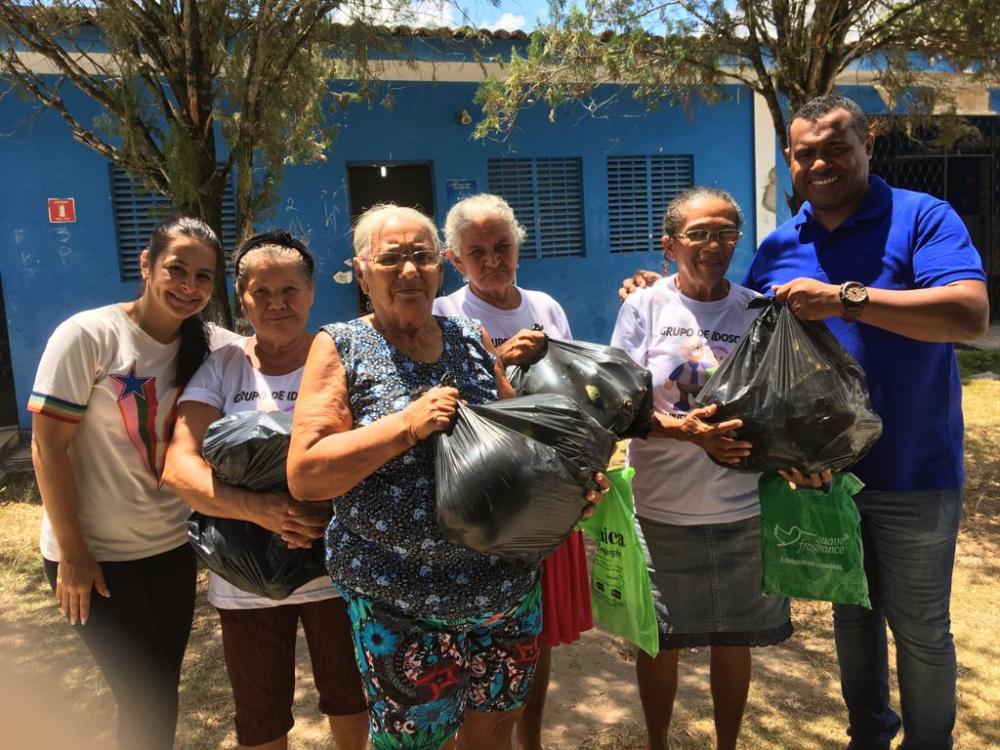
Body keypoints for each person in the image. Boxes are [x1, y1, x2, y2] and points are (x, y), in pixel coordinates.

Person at [285, 204, 606, 750]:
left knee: (495, 726)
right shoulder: (342, 345)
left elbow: (524, 446)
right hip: (399, 599)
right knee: (417, 741)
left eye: (421, 257)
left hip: (504, 590)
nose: (409, 272)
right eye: (391, 260)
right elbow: (307, 473)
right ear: (362, 272)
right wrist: (405, 426)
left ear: (440, 267)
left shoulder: (468, 335)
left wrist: (571, 486)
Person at [745, 95, 989, 750]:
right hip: (827, 482)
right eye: (805, 153)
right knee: (852, 622)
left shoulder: (921, 218)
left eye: (835, 147)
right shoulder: (776, 249)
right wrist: (661, 287)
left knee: (920, 630)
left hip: (915, 474)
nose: (820, 163)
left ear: (868, 143)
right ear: (790, 159)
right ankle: (868, 738)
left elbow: (968, 315)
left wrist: (847, 299)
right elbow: (750, 356)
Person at [162, 230, 368, 750]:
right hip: (245, 583)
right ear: (242, 296)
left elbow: (372, 454)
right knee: (259, 714)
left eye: (290, 290)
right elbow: (179, 468)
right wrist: (262, 510)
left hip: (337, 575)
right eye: (262, 293)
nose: (277, 304)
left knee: (351, 697)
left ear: (312, 291)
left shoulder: (343, 358)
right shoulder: (224, 367)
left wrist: (322, 506)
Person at [28, 217, 228, 749]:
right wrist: (72, 551)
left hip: (169, 549)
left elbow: (277, 344)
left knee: (160, 690)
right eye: (176, 270)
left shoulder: (212, 344)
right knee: (146, 694)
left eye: (203, 278)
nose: (189, 287)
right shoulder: (88, 335)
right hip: (94, 557)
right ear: (146, 265)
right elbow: (47, 446)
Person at [610, 187, 792, 750]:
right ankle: (658, 743)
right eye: (698, 234)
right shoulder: (643, 307)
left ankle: (728, 745)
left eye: (725, 233)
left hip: (741, 508)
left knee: (731, 639)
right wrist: (685, 432)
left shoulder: (755, 308)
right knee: (658, 639)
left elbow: (776, 403)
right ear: (669, 245)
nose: (713, 245)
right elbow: (618, 406)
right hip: (661, 508)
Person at [433, 193, 587, 750]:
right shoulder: (445, 314)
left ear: (519, 244)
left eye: (503, 246)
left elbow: (569, 394)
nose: (493, 260)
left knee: (533, 632)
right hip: (481, 502)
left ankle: (532, 740)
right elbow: (443, 405)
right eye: (478, 251)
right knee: (468, 631)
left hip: (543, 492)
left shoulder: (546, 306)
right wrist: (499, 359)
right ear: (454, 259)